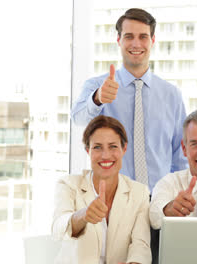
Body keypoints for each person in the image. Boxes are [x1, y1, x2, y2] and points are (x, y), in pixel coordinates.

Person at [71, 8, 188, 192]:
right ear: (119, 40)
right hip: (113, 202)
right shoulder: (98, 86)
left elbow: (180, 156)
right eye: (128, 36)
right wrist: (97, 99)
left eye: (143, 37)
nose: (136, 43)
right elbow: (77, 118)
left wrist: (177, 196)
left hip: (160, 201)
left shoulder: (172, 95)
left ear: (152, 41)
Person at [52, 115, 151, 264]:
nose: (105, 155)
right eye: (97, 147)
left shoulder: (140, 193)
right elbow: (58, 227)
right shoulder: (68, 184)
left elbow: (140, 244)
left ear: (124, 149)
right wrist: (83, 215)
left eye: (113, 146)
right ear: (88, 150)